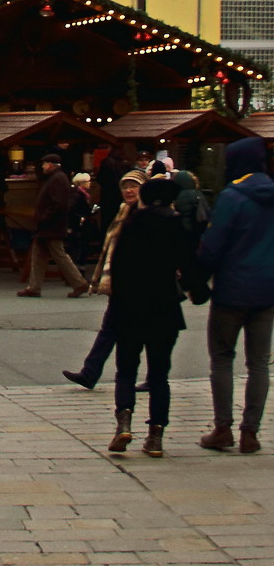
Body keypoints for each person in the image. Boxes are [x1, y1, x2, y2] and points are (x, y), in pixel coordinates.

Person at [106, 176, 207, 458]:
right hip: (163, 307)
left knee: (126, 367)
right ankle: (156, 436)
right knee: (159, 373)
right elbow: (187, 264)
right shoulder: (176, 224)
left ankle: (124, 423)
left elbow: (118, 266)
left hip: (130, 307)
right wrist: (197, 292)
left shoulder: (131, 223)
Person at [197, 136, 274, 455]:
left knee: (222, 359)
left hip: (231, 289)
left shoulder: (231, 197)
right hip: (267, 291)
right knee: (259, 363)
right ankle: (250, 432)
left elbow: (213, 245)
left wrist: (197, 280)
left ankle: (223, 427)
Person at [62, 168, 145, 388]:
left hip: (137, 283)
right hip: (120, 281)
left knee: (137, 331)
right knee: (110, 328)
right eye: (125, 187)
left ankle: (153, 377)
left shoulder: (145, 214)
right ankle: (90, 372)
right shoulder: (123, 211)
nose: (129, 190)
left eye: (134, 186)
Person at [18, 154, 88, 298]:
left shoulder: (56, 179)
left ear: (51, 165)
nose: (43, 167)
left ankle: (79, 283)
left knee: (59, 254)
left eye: (44, 164)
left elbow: (58, 204)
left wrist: (44, 218)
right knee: (38, 255)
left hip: (51, 225)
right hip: (49, 225)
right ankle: (34, 287)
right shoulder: (57, 178)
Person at [95, 148, 129, 237]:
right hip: (120, 197)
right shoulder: (124, 164)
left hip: (107, 197)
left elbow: (100, 179)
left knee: (106, 222)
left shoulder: (105, 162)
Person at [67, 171, 95, 266]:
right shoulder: (77, 195)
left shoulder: (81, 194)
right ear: (82, 183)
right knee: (78, 249)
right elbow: (70, 209)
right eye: (88, 181)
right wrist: (80, 219)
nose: (90, 183)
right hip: (78, 227)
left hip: (81, 226)